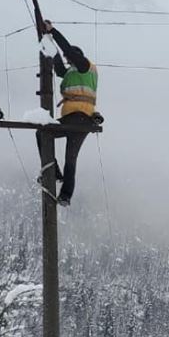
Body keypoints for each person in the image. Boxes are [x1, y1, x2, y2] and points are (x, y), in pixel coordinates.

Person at [44, 20, 98, 206]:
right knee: (70, 158)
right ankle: (64, 194)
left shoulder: (85, 66)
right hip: (77, 121)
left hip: (80, 118)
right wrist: (47, 40)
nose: (68, 62)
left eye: (70, 59)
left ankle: (56, 176)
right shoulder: (71, 73)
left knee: (44, 133)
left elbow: (66, 50)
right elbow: (59, 63)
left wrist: (53, 32)